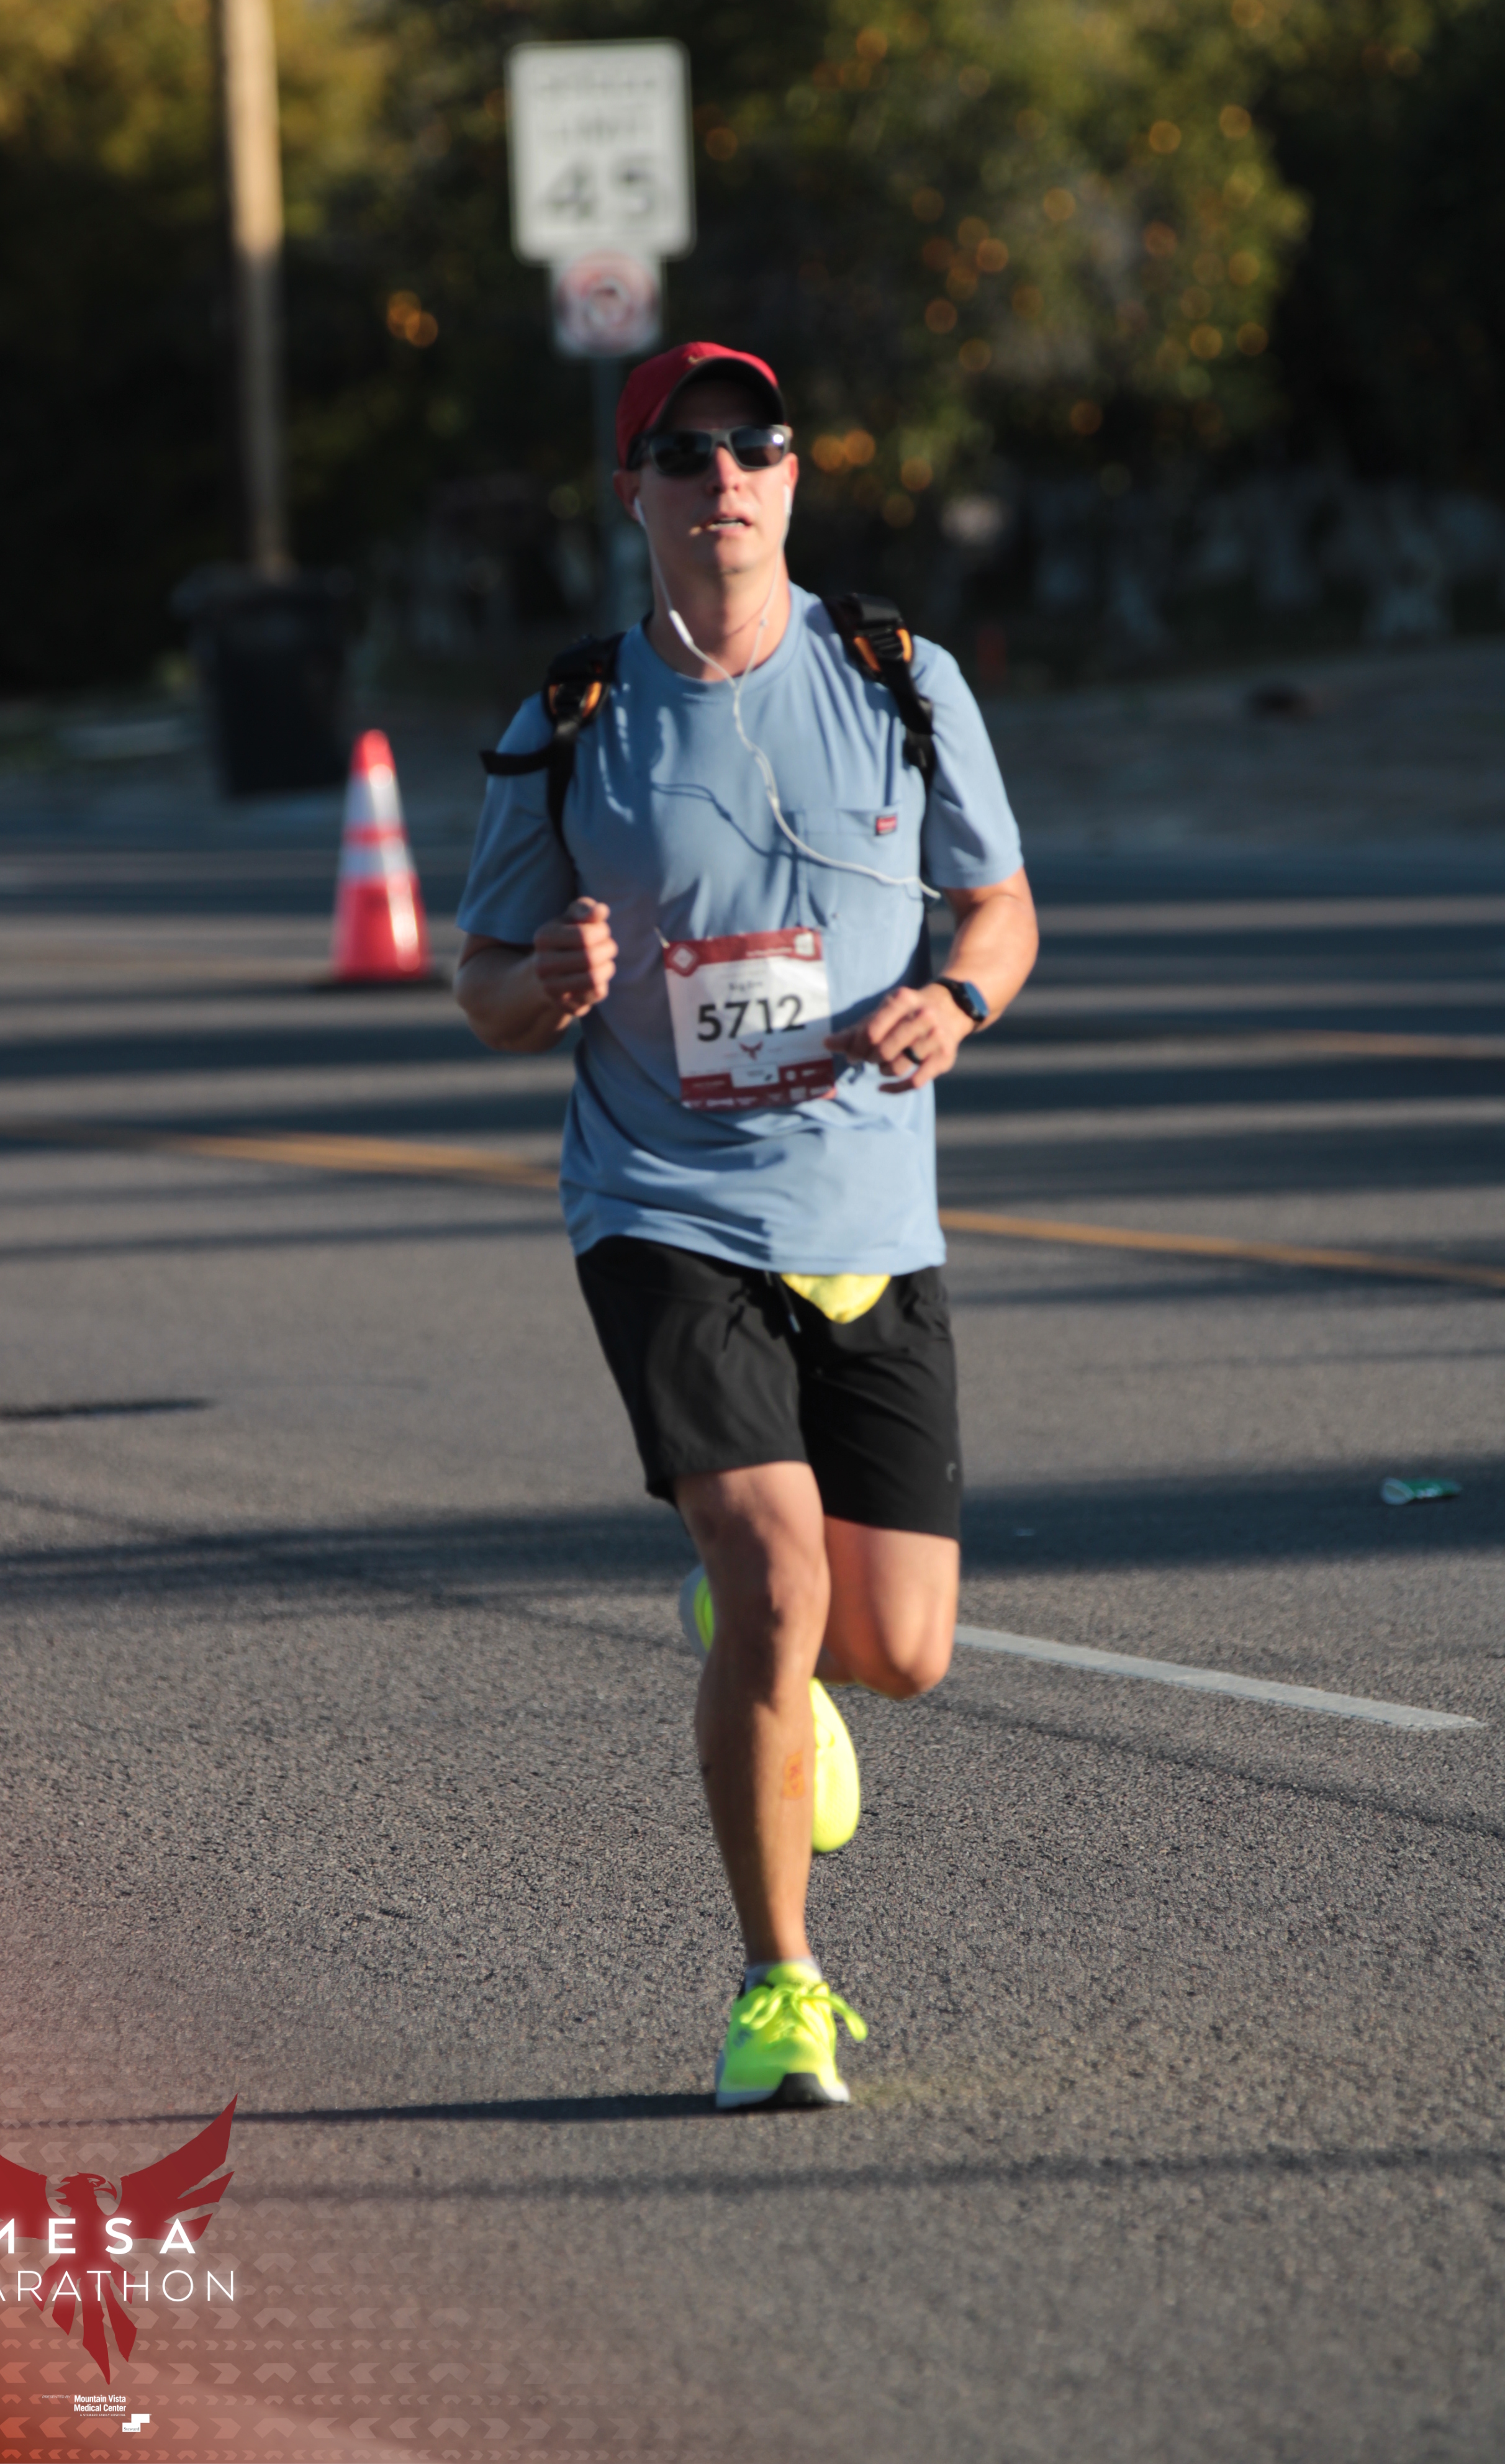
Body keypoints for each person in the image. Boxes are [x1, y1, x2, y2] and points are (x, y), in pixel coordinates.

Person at [454, 341, 1037, 2110]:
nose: (723, 477)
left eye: (754, 446)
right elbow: (481, 984)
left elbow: (1000, 908)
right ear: (632, 489)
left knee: (901, 1650)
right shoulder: (572, 719)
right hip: (664, 1202)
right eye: (684, 452)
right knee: (775, 1572)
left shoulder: (900, 676)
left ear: (792, 477)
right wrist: (548, 979)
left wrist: (959, 1000)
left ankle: (754, 1641)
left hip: (872, 1209)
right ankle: (779, 1986)